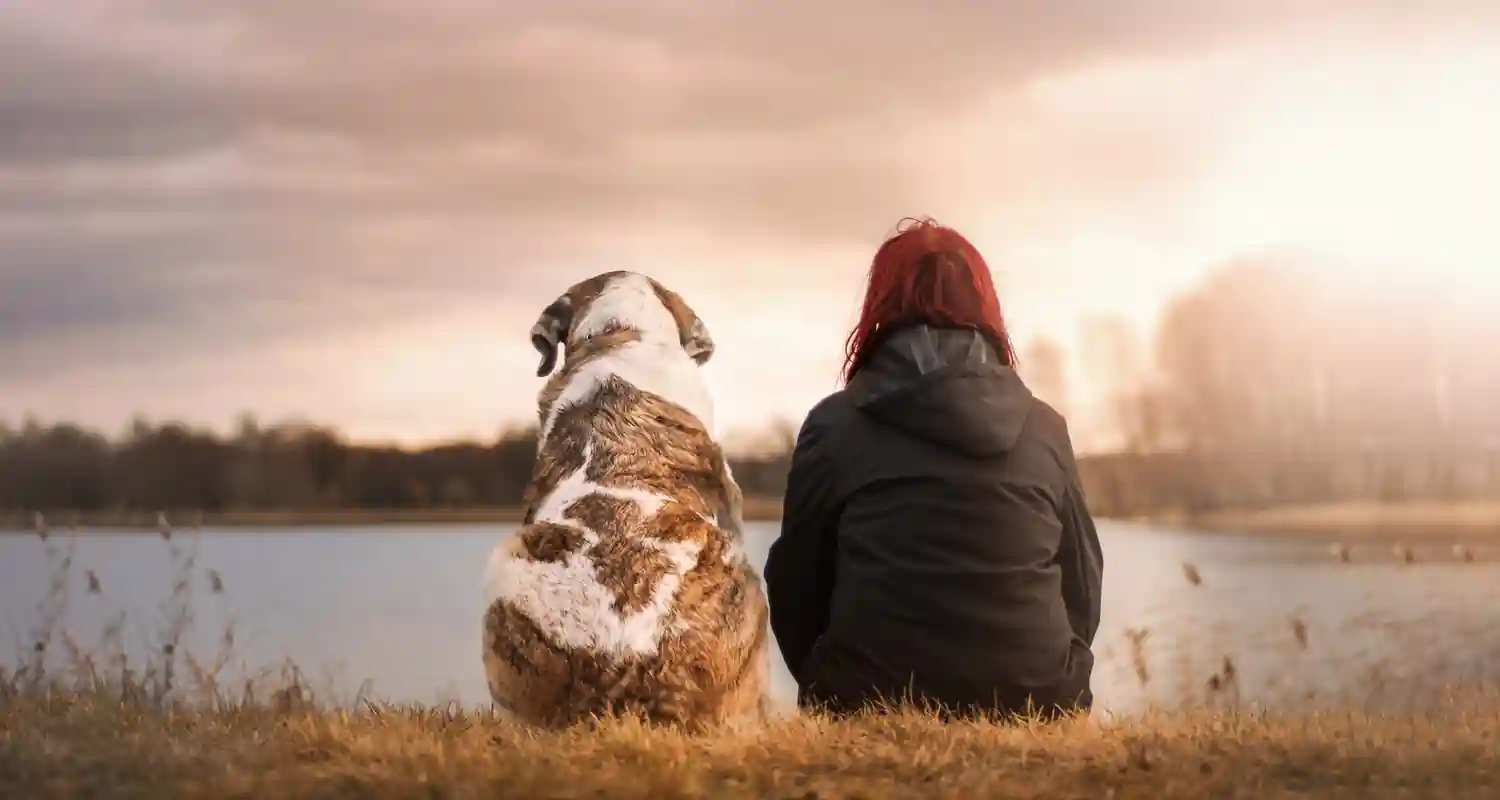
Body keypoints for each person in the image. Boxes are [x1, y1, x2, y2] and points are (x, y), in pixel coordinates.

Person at [763, 217, 1103, 720]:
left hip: (866, 701)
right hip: (1039, 701)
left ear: (879, 308)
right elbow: (1083, 583)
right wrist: (1051, 673)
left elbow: (795, 587)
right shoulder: (1044, 427)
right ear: (985, 307)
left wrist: (827, 680)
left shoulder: (833, 426)